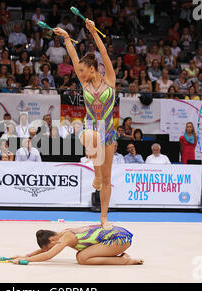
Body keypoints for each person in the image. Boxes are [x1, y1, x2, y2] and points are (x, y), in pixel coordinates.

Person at [54, 18, 116, 230]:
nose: (79, 74)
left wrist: (93, 32)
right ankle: (96, 174)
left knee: (108, 179)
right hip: (90, 128)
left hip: (109, 132)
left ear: (92, 68)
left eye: (83, 71)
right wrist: (65, 38)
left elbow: (105, 54)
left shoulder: (109, 79)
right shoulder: (84, 82)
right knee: (91, 136)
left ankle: (104, 217)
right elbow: (73, 57)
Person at [9, 225, 144, 265]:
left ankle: (124, 260)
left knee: (82, 258)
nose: (53, 248)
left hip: (119, 239)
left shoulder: (66, 237)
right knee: (81, 255)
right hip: (117, 238)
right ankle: (123, 259)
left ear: (52, 241)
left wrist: (26, 260)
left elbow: (48, 254)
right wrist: (25, 255)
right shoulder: (62, 234)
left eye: (51, 246)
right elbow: (45, 251)